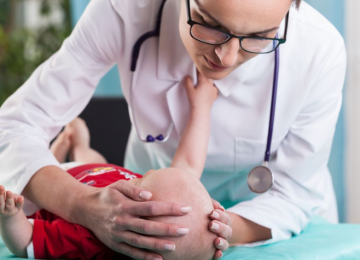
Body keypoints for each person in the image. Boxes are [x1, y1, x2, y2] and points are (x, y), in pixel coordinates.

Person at [0, 0, 347, 259]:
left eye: (259, 37)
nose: (226, 57)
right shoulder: (125, 8)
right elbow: (15, 125)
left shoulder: (320, 51)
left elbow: (293, 193)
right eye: (211, 24)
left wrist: (216, 231)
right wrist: (82, 205)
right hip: (142, 198)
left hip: (267, 219)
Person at [0, 77, 222, 260]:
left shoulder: (90, 237)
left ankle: (59, 150)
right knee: (95, 159)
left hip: (51, 183)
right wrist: (200, 107)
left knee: (33, 187)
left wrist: (10, 217)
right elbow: (190, 162)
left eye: (140, 183)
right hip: (98, 170)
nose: (149, 172)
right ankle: (79, 145)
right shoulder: (157, 192)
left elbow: (27, 241)